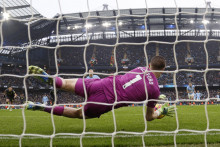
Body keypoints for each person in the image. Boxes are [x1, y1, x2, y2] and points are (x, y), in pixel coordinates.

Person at [27, 56, 174, 121]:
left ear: (149, 65)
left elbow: (138, 84)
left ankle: (52, 80)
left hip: (102, 83)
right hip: (106, 100)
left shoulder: (140, 68)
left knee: (64, 83)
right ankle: (42, 107)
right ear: (163, 70)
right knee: (79, 113)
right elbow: (148, 117)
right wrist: (160, 110)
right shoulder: (155, 90)